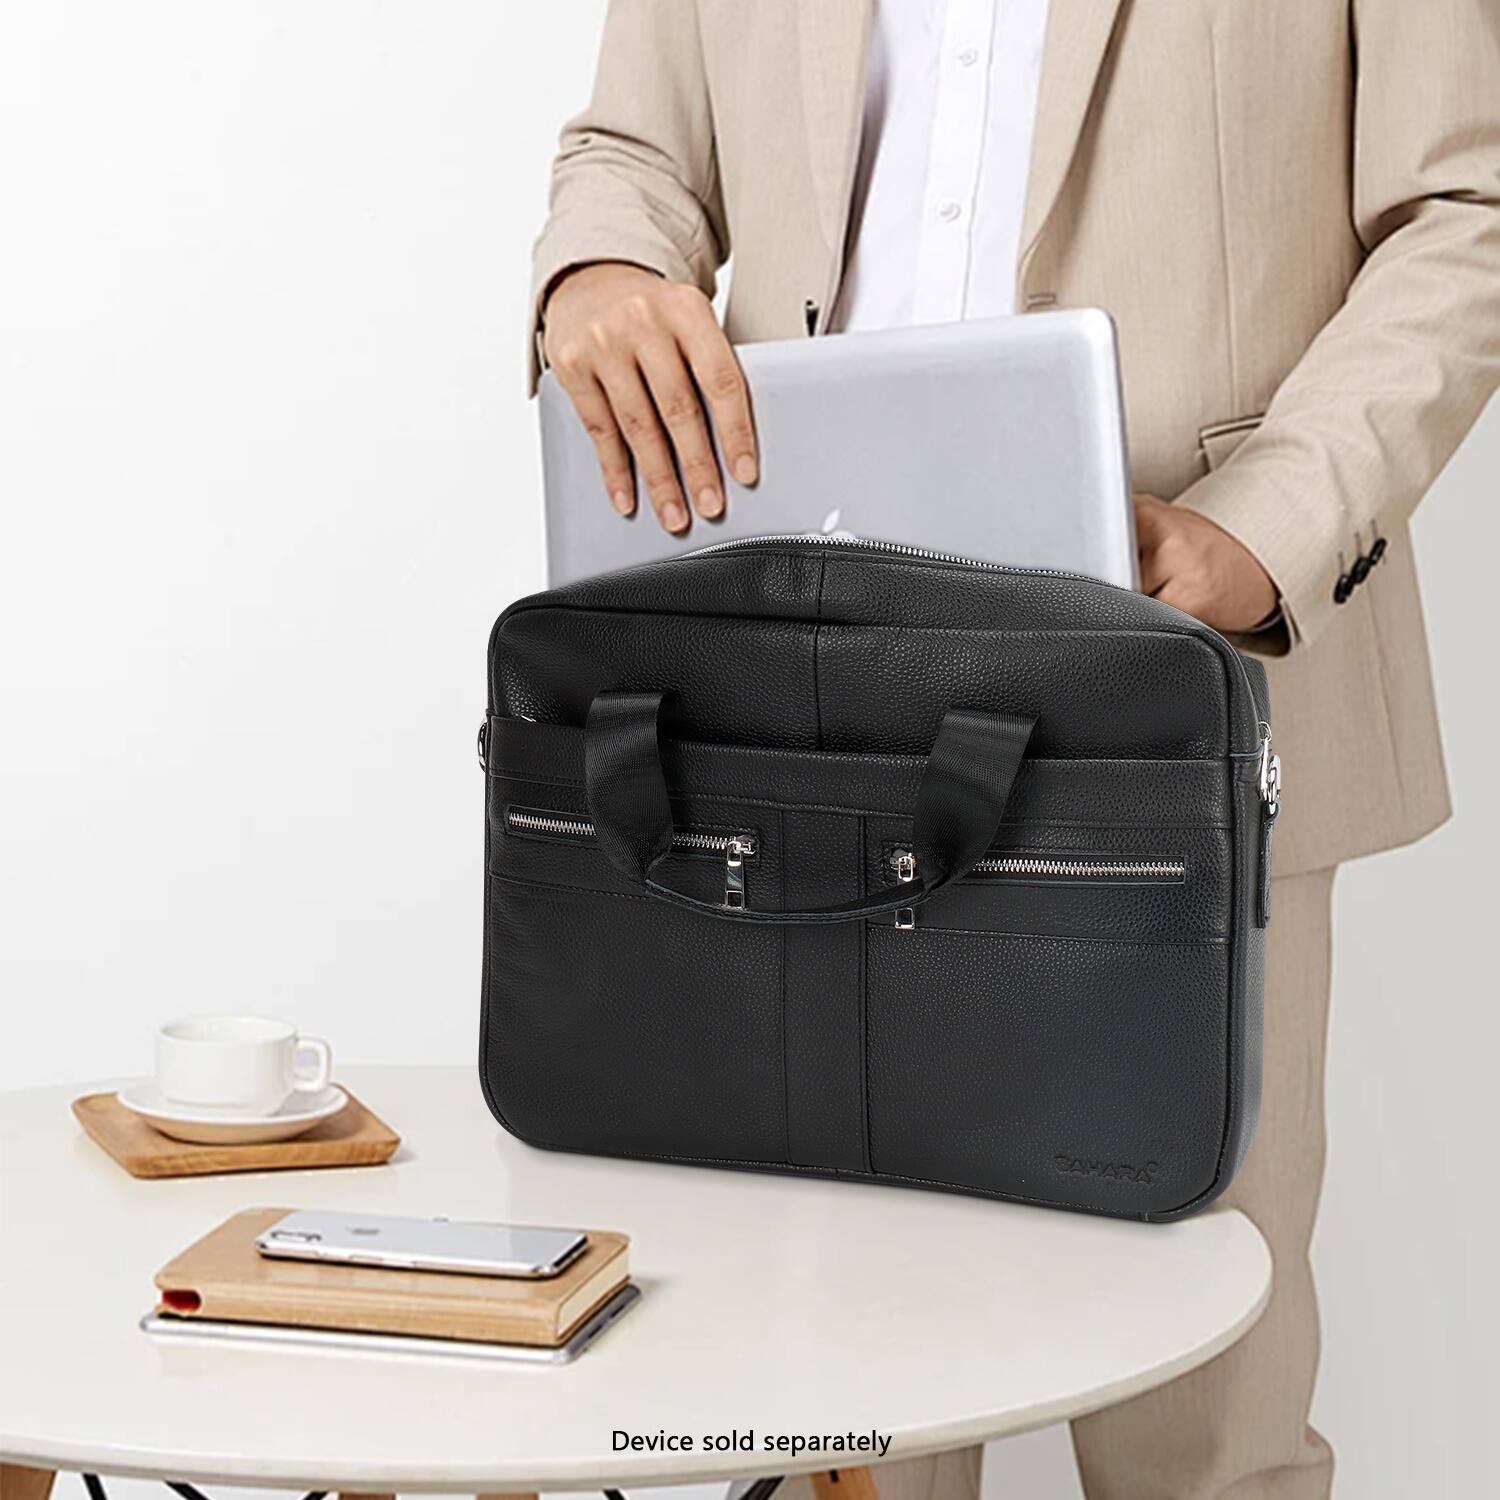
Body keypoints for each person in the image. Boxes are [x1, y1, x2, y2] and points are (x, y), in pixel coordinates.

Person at [528, 3, 1500, 1497]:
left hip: (1181, 690)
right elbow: (635, 146)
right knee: (838, 1426)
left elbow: (1471, 202)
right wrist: (599, 262)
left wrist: (1272, 525)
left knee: (1204, 1438)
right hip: (799, 687)